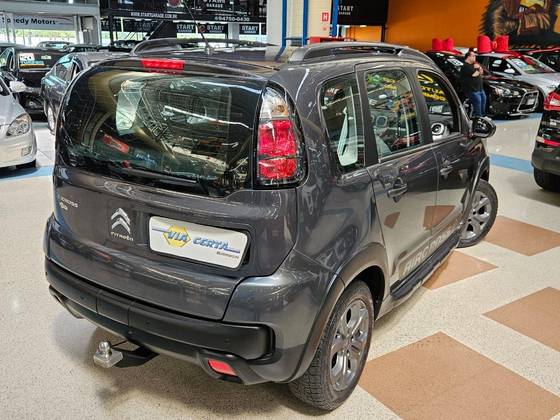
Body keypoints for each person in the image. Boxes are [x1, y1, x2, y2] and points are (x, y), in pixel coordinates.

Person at [461, 50, 487, 117]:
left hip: (480, 89)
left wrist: (479, 67)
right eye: (473, 56)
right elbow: (474, 74)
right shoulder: (465, 66)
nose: (475, 57)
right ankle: (477, 118)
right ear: (468, 57)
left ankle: (483, 117)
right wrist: (478, 68)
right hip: (473, 90)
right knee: (477, 105)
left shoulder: (473, 65)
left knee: (483, 103)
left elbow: (481, 72)